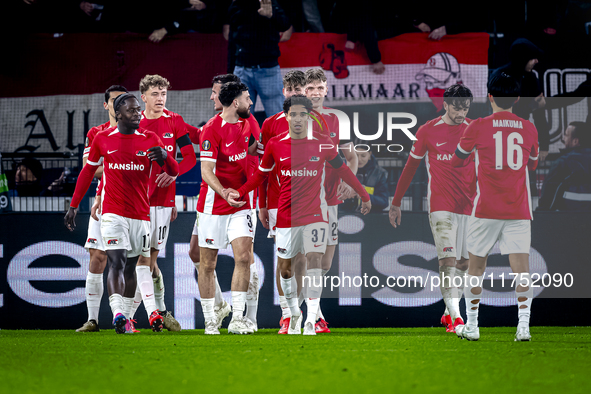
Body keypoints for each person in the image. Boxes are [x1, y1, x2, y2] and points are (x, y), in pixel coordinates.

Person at [225, 95, 371, 335]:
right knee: (285, 270)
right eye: (293, 114)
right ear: (286, 116)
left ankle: (311, 320)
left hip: (315, 215)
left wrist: (363, 194)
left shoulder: (324, 143)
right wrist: (240, 192)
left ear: (309, 116)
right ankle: (294, 312)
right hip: (285, 217)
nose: (298, 119)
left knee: (315, 262)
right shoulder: (275, 144)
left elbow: (343, 169)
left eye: (303, 114)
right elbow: (261, 175)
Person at [65, 93, 179, 334]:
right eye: (132, 110)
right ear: (118, 114)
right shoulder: (102, 139)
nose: (138, 113)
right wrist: (74, 205)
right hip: (112, 213)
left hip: (141, 215)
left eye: (138, 109)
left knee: (131, 267)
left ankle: (125, 319)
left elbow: (174, 170)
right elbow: (87, 173)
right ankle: (117, 312)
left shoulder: (150, 139)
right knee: (116, 262)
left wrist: (167, 157)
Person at [452, 72, 539, 342]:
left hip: (485, 209)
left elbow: (457, 160)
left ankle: (473, 326)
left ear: (489, 97)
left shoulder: (476, 126)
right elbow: (533, 164)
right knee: (522, 271)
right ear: (516, 98)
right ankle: (523, 327)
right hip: (518, 210)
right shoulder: (529, 127)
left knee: (476, 269)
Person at [389, 84, 475, 333]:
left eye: (465, 108)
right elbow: (409, 168)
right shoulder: (427, 131)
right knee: (448, 260)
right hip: (441, 206)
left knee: (463, 264)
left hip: (469, 206)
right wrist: (396, 202)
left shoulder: (473, 130)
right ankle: (458, 319)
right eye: (456, 108)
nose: (460, 113)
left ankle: (449, 312)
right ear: (445, 105)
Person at [123, 74, 196, 331]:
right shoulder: (134, 123)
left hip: (164, 202)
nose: (160, 99)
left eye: (164, 93)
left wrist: (174, 173)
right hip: (138, 202)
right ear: (143, 97)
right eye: (155, 94)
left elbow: (189, 157)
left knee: (151, 261)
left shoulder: (174, 121)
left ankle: (155, 312)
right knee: (142, 261)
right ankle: (147, 314)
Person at [189, 73, 261, 332]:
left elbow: (245, 151)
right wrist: (224, 193)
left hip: (241, 204)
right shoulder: (211, 129)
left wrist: (257, 151)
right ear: (234, 103)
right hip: (214, 205)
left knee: (243, 257)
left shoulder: (245, 124)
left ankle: (239, 319)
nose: (251, 102)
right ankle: (210, 320)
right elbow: (206, 171)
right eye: (247, 98)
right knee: (207, 264)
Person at [305, 68, 358, 333]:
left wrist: (350, 180)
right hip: (306, 201)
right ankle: (312, 316)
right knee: (308, 259)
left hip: (332, 198)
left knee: (324, 263)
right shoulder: (297, 118)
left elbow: (351, 157)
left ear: (326, 89)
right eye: (310, 88)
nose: (315, 93)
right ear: (303, 91)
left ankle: (313, 312)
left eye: (319, 88)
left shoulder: (338, 118)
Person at [257, 69, 306, 333]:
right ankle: (287, 313)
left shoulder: (314, 123)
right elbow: (262, 170)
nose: (295, 93)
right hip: (278, 201)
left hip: (309, 202)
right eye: (291, 89)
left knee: (303, 259)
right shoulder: (269, 124)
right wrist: (262, 204)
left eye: (300, 89)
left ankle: (304, 311)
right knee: (284, 258)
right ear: (283, 92)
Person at [76, 84, 127, 333]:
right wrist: (121, 164)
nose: (118, 105)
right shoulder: (96, 133)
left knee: (135, 262)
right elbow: (89, 168)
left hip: (133, 204)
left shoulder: (137, 130)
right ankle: (93, 319)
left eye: (122, 100)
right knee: (97, 257)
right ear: (106, 105)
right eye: (114, 101)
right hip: (103, 198)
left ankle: (127, 317)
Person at [228, 0, 291, 117]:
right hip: (242, 69)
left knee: (277, 120)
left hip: (267, 70)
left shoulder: (269, 3)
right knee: (241, 122)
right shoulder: (236, 5)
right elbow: (232, 41)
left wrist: (271, 15)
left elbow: (285, 24)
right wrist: (230, 73)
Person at [490, 38, 550, 161]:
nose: (536, 61)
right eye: (533, 58)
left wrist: (544, 146)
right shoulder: (499, 75)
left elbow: (540, 115)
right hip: (497, 133)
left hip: (521, 135)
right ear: (522, 58)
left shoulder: (532, 78)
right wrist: (531, 106)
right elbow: (501, 107)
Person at [538, 122, 591, 211]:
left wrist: (542, 211)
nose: (563, 139)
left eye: (566, 135)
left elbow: (549, 192)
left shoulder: (563, 162)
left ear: (575, 141)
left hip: (568, 216)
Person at [341, 149, 389, 213]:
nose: (359, 159)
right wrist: (347, 197)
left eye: (363, 156)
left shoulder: (380, 173)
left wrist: (365, 196)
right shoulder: (341, 172)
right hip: (346, 215)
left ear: (369, 155)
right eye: (356, 156)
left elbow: (384, 202)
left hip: (371, 216)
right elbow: (332, 199)